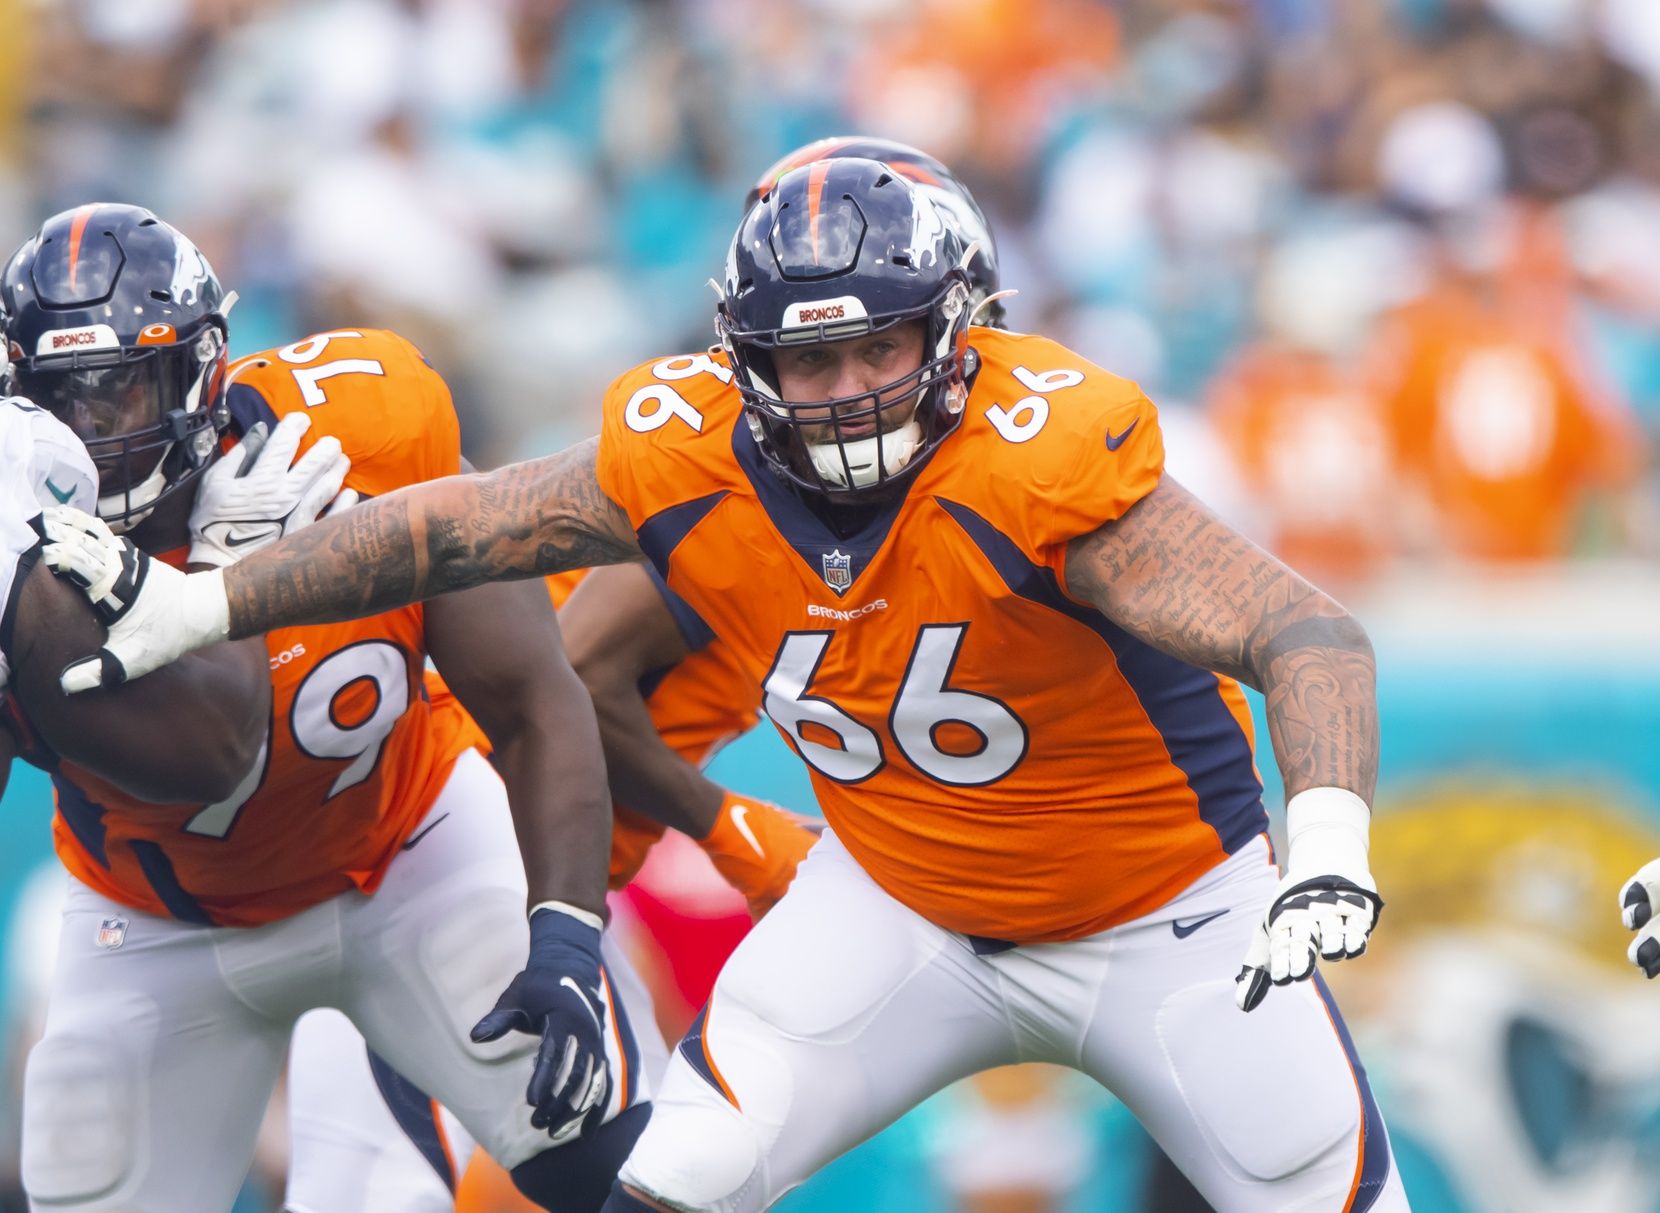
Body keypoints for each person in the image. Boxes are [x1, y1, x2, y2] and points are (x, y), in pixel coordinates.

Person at [44, 161, 1407, 1211]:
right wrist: (207, 603)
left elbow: (1308, 635)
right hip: (901, 908)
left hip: (1165, 915)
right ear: (746, 360)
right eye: (809, 359)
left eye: (881, 348)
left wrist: (1330, 839)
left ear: (959, 334)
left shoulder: (1046, 459)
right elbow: (452, 531)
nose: (848, 392)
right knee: (668, 1178)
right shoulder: (698, 459)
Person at [2, 203, 655, 1213]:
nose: (103, 434)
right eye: (65, 400)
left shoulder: (358, 426)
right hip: (152, 921)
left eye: (127, 388)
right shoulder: (19, 548)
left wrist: (565, 927)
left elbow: (531, 696)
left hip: (413, 847)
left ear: (204, 369)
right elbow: (217, 745)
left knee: (626, 1160)